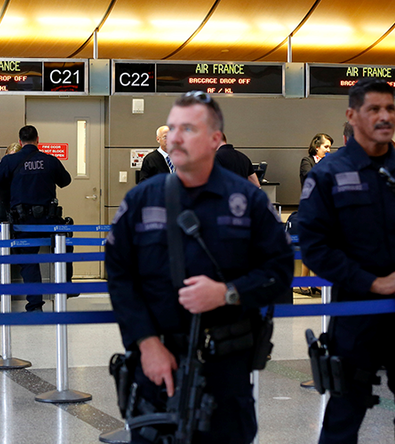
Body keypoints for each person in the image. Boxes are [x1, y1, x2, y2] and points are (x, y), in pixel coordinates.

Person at [106, 91, 293, 444]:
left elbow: (279, 270)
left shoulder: (248, 201)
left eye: (188, 128)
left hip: (226, 366)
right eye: (173, 127)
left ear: (215, 139)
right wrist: (146, 344)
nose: (175, 137)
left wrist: (227, 293)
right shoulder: (141, 200)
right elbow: (119, 275)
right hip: (159, 364)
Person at [297, 78, 395, 444]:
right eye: (374, 109)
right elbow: (316, 246)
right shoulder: (327, 175)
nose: (384, 116)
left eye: (390, 108)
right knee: (344, 415)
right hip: (358, 312)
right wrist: (373, 282)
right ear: (352, 115)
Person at [0, 125, 71, 312]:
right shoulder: (50, 161)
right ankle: (67, 287)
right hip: (49, 221)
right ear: (38, 140)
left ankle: (35, 305)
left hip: (24, 221)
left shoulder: (11, 160)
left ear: (20, 141)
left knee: (28, 259)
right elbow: (65, 181)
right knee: (62, 251)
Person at [296, 133, 333, 296]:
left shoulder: (329, 162)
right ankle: (309, 282)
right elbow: (311, 177)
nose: (328, 150)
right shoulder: (307, 161)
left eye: (330, 147)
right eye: (326, 147)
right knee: (311, 244)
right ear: (317, 147)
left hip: (326, 208)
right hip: (311, 208)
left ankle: (313, 282)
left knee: (321, 245)